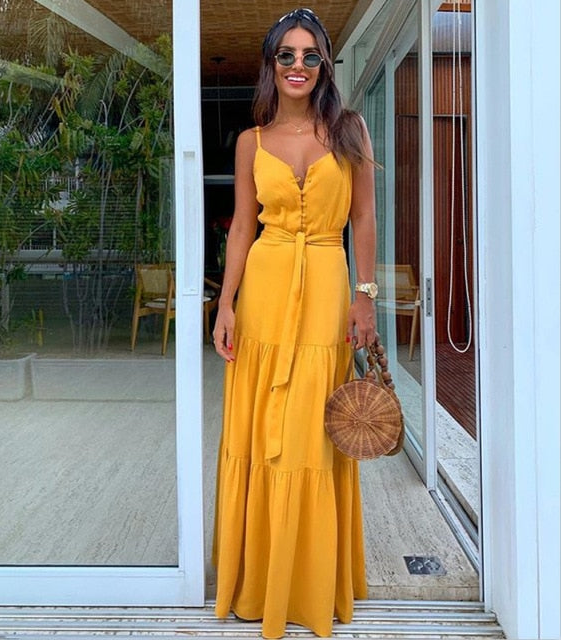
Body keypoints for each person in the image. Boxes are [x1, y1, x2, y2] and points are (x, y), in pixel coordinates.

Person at [212, 7, 377, 638]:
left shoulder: (350, 130)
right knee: (266, 431)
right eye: (287, 55)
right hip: (266, 289)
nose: (298, 65)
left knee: (314, 430)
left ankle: (309, 582)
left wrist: (365, 298)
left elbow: (363, 219)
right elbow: (241, 229)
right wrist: (226, 304)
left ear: (325, 65)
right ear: (271, 64)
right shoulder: (250, 142)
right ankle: (261, 578)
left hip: (328, 291)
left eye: (310, 55)